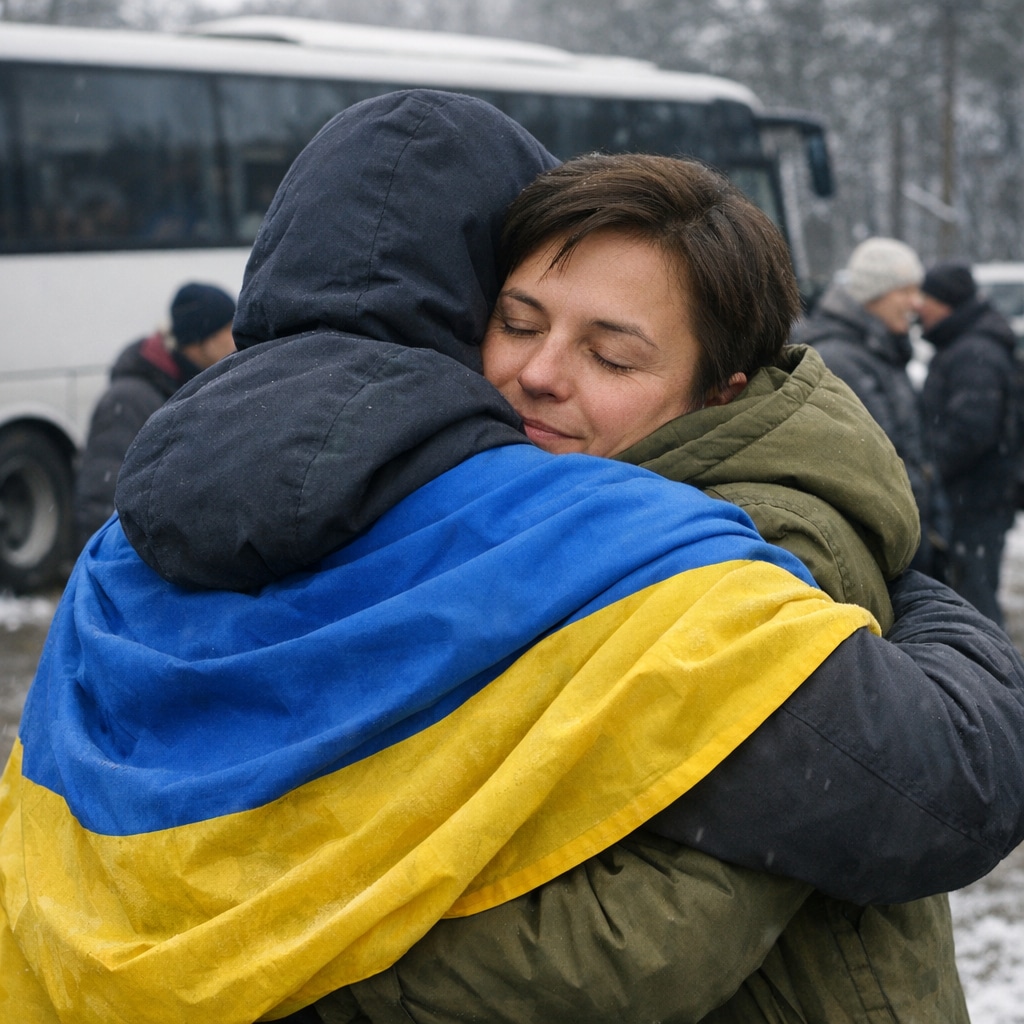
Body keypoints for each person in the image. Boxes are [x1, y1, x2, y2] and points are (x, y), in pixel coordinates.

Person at [2, 92, 1023, 1024]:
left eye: (612, 355)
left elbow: (928, 794)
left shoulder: (697, 550)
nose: (538, 373)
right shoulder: (511, 518)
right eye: (516, 322)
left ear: (721, 391)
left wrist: (262, 963)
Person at [791, 237, 949, 579]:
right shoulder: (840, 359)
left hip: (905, 541)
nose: (917, 302)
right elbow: (871, 465)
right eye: (905, 291)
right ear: (874, 294)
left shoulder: (882, 351)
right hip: (886, 551)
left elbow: (914, 451)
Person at [71, 281, 236, 548]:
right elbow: (101, 500)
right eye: (227, 328)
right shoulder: (129, 400)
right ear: (199, 339)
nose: (235, 337)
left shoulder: (196, 386)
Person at [919, 262, 1020, 624]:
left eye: (926, 298)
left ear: (945, 303)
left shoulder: (974, 352)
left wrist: (925, 470)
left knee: (974, 603)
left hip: (975, 501)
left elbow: (971, 431)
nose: (918, 306)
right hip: (976, 498)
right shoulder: (967, 344)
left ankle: (992, 660)